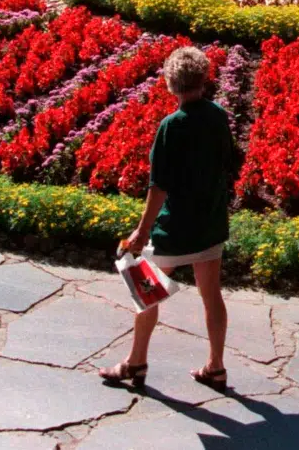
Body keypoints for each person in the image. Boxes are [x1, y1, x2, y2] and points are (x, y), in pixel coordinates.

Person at [99, 46, 237, 390]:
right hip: (211, 223)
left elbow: (158, 186)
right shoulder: (219, 115)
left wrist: (141, 232)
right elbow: (229, 164)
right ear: (204, 78)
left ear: (169, 83)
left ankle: (135, 363)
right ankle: (216, 367)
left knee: (145, 293)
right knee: (211, 295)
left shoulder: (171, 127)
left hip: (173, 230)